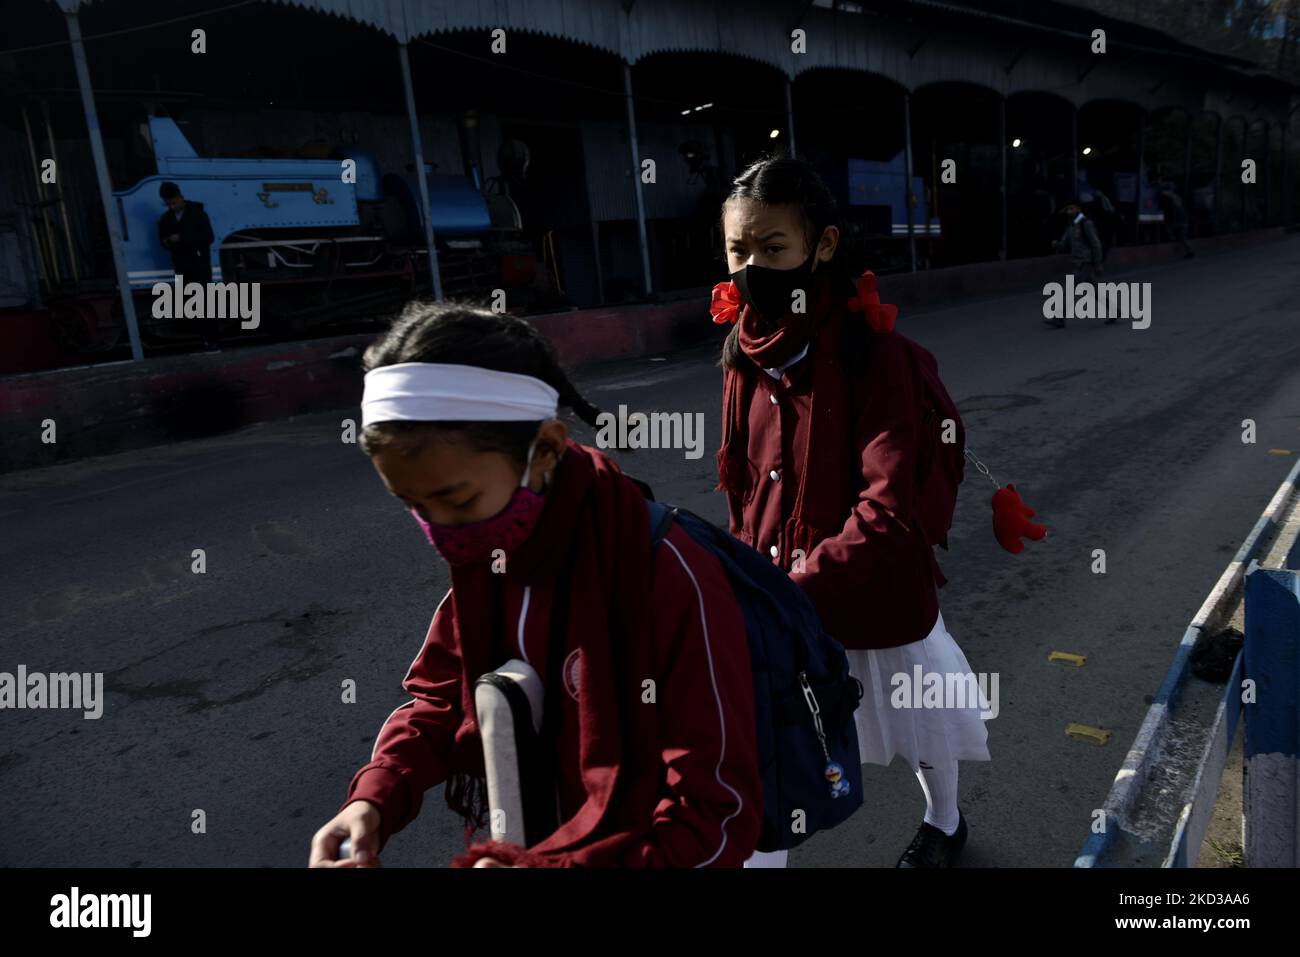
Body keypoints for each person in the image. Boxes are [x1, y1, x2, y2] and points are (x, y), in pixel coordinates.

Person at [309, 302, 763, 868]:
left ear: (545, 448)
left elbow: (714, 813)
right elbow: (444, 699)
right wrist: (375, 798)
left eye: (457, 500)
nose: (441, 533)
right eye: (414, 507)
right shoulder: (489, 556)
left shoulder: (668, 574)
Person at [711, 156, 990, 868]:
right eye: (738, 250)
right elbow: (744, 482)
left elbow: (890, 508)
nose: (751, 268)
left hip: (871, 591)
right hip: (779, 593)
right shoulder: (743, 352)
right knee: (768, 757)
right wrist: (744, 575)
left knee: (922, 725)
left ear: (822, 246)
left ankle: (946, 822)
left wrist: (791, 590)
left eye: (772, 249)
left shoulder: (876, 354)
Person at [157, 181, 218, 348]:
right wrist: (168, 241)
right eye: (168, 203)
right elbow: (162, 241)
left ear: (181, 197)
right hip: (181, 264)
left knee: (204, 302)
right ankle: (202, 338)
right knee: (190, 302)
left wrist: (182, 238)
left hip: (199, 264)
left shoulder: (197, 213)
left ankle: (211, 339)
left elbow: (208, 237)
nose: (171, 206)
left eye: (174, 202)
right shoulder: (165, 219)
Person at [1046, 202, 1104, 329]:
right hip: (1077, 262)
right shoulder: (1071, 227)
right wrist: (1057, 244)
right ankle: (1114, 311)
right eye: (1067, 209)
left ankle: (1059, 318)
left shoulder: (1085, 224)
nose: (1068, 211)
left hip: (1085, 263)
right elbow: (1064, 244)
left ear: (1079, 209)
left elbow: (1096, 244)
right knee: (1094, 291)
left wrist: (1098, 263)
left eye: (1071, 208)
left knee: (1069, 290)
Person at [1157, 181, 1195, 258]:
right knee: (1181, 236)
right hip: (1181, 220)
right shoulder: (1176, 198)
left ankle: (1187, 249)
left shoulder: (1173, 200)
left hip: (1180, 221)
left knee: (1177, 233)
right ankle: (1187, 250)